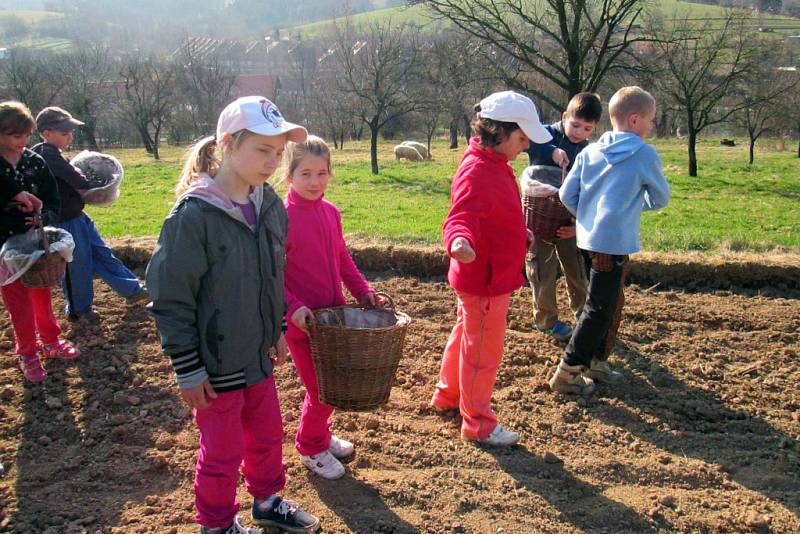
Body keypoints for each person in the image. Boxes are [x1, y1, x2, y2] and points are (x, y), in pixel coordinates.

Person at [146, 96, 320, 534]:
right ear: (227, 144)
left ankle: (267, 501)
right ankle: (218, 524)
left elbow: (271, 273)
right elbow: (171, 299)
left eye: (278, 153)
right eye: (262, 150)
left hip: (257, 355)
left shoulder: (269, 205)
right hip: (214, 362)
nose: (272, 161)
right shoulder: (193, 217)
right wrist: (187, 369)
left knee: (265, 438)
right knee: (222, 451)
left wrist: (278, 325)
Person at [431, 91, 553, 447]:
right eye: (521, 138)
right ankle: (479, 423)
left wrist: (520, 234)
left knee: (467, 334)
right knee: (484, 350)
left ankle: (448, 395)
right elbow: (461, 217)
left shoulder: (494, 164)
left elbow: (494, 214)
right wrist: (458, 242)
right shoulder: (478, 171)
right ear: (499, 133)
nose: (527, 145)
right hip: (485, 279)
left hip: (486, 273)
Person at [548, 86, 671, 395]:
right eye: (650, 120)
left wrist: (588, 217)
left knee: (603, 303)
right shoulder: (644, 153)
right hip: (614, 242)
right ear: (634, 119)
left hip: (588, 240)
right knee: (599, 308)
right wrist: (630, 207)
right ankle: (568, 371)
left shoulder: (590, 151)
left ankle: (595, 362)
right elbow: (660, 198)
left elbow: (566, 194)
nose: (651, 126)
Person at [283, 135, 383, 480]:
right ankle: (310, 446)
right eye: (306, 174)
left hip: (334, 319)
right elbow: (271, 277)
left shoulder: (330, 212)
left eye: (322, 173)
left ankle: (320, 436)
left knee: (334, 382)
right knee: (321, 389)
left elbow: (342, 259)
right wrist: (292, 308)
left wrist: (362, 290)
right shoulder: (281, 220)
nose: (315, 181)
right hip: (302, 324)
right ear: (289, 176)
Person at [32, 106, 147, 322]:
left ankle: (132, 290)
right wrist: (95, 180)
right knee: (76, 264)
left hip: (78, 217)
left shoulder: (55, 153)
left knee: (101, 253)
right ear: (47, 134)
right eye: (64, 133)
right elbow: (77, 178)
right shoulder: (46, 153)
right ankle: (78, 309)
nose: (70, 136)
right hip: (63, 222)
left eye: (70, 132)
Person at [0, 101, 80, 383]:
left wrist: (44, 218)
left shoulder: (34, 162)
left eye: (25, 136)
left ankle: (50, 341)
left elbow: (52, 197)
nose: (22, 142)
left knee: (42, 294)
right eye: (14, 136)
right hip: (4, 247)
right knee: (17, 302)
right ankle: (27, 353)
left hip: (35, 243)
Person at [521, 92, 602, 341]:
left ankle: (582, 315)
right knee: (543, 272)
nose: (579, 132)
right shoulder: (546, 135)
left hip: (567, 222)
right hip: (539, 219)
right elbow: (528, 138)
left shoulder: (587, 151)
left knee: (576, 270)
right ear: (565, 117)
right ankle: (547, 321)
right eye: (575, 125)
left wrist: (578, 225)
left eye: (587, 128)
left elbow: (589, 191)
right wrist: (552, 150)